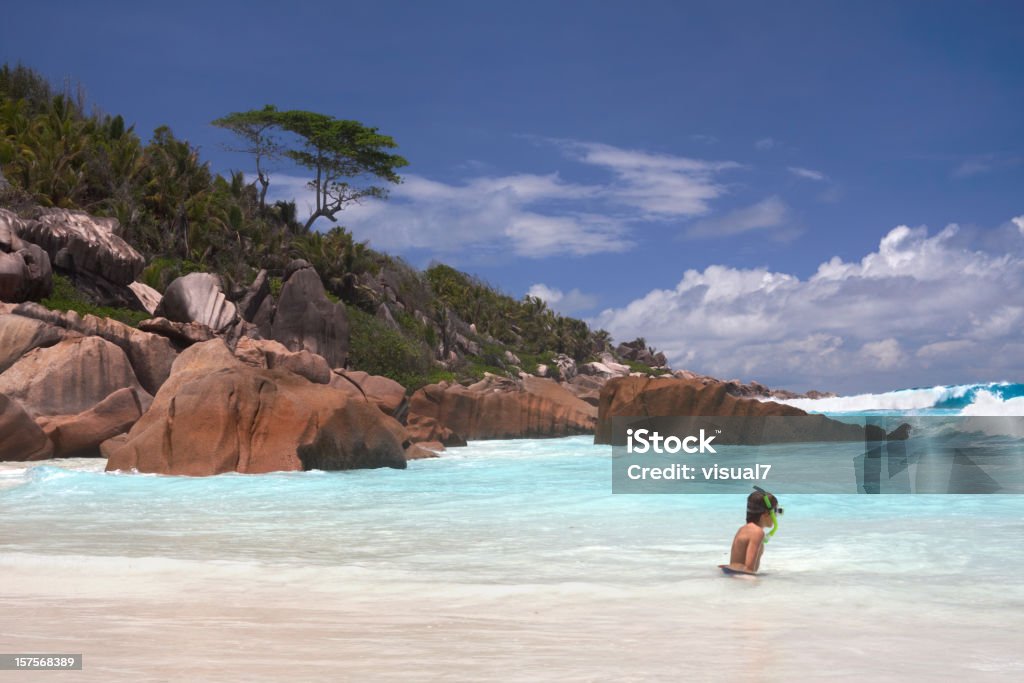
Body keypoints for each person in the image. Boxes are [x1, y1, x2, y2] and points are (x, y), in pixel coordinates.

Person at [725, 487, 783, 574]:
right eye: (776, 511)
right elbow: (749, 569)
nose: (777, 515)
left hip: (732, 574)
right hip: (740, 578)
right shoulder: (757, 532)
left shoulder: (743, 529)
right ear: (767, 513)